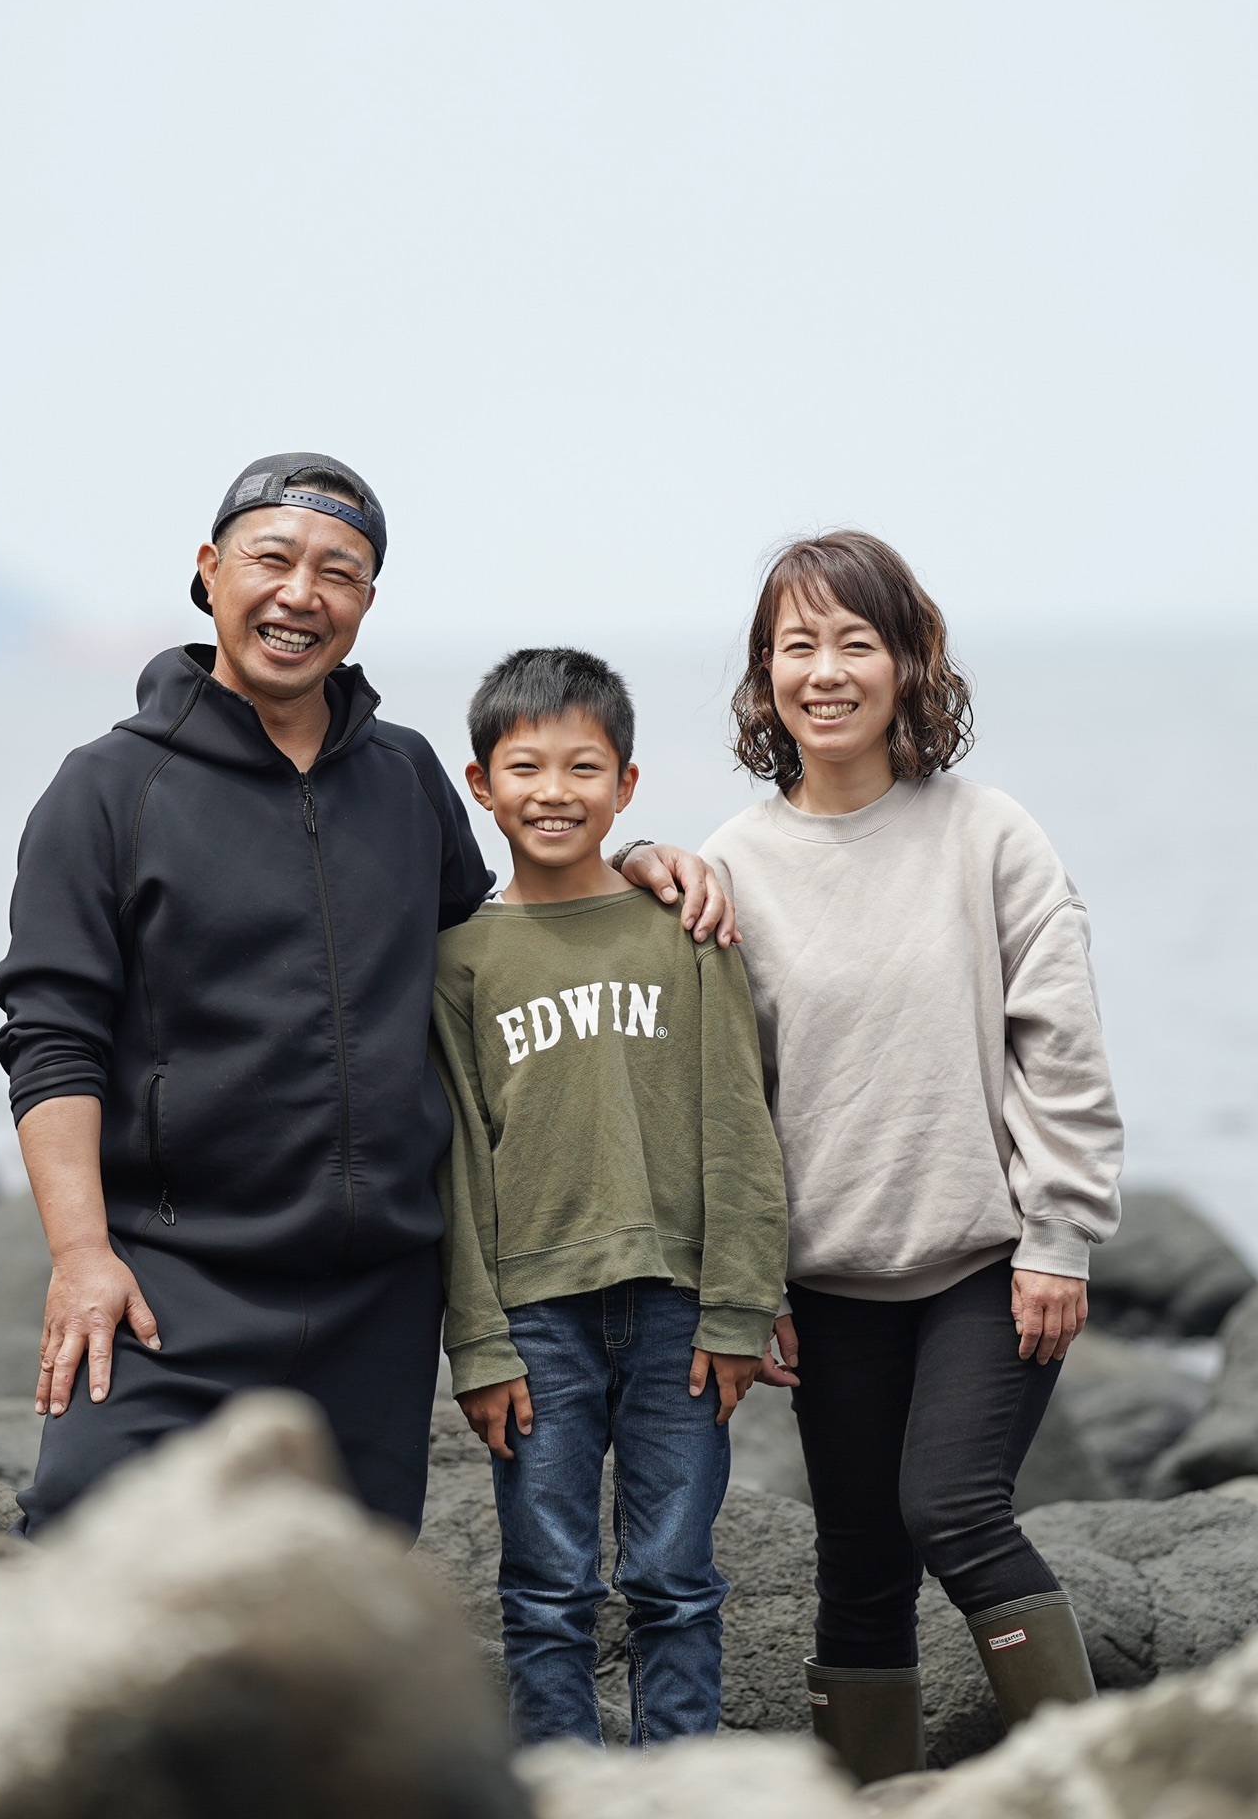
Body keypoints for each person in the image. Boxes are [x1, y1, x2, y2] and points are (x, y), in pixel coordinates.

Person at [0, 456, 733, 1535]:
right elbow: (50, 1035)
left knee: (337, 1602)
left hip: (380, 1291)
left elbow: (494, 955)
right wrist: (80, 1255)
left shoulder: (404, 774)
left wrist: (627, 871)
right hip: (176, 1274)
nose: (302, 593)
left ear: (365, 605)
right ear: (209, 572)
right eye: (272, 558)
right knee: (79, 1526)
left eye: (338, 571)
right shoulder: (107, 789)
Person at [700, 530, 1124, 1783]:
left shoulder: (986, 835)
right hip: (827, 1288)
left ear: (904, 663)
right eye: (795, 645)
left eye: (852, 641)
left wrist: (1059, 1234)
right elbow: (726, 1099)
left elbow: (1061, 1045)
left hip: (985, 1268)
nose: (822, 671)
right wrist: (750, 1280)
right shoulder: (729, 865)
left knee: (951, 1506)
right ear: (763, 675)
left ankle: (1101, 1778)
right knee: (859, 1568)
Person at [434, 648, 788, 1746]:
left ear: (625, 783)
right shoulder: (460, 959)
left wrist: (739, 1303)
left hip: (679, 1310)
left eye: (582, 765)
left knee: (676, 1574)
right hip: (534, 1317)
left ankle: (682, 1781)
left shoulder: (684, 929)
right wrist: (477, 1342)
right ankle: (564, 1783)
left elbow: (738, 1123)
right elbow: (455, 1162)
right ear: (478, 783)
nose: (553, 791)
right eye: (524, 766)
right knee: (545, 1585)